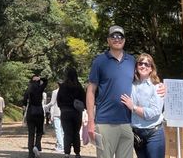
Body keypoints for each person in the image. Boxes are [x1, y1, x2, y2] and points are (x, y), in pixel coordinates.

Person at [86, 25, 136, 158]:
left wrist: (159, 86)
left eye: (120, 36)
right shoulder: (99, 61)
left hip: (127, 122)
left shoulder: (132, 61)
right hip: (104, 122)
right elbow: (91, 91)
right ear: (108, 40)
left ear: (124, 40)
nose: (117, 39)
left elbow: (143, 82)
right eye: (113, 36)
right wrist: (90, 121)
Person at [121, 53, 165, 158]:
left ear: (151, 69)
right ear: (136, 66)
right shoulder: (130, 85)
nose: (143, 66)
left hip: (154, 134)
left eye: (147, 64)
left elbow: (154, 112)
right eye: (140, 63)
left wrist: (134, 107)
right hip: (137, 134)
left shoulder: (157, 86)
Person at [58, 67, 87, 158]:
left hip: (65, 112)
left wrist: (62, 107)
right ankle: (77, 153)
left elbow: (59, 100)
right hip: (76, 112)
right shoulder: (79, 86)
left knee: (67, 133)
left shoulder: (63, 86)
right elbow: (84, 99)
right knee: (76, 133)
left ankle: (67, 152)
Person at [23, 74, 48, 158]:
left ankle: (31, 153)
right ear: (38, 81)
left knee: (31, 133)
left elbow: (24, 101)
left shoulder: (28, 89)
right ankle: (37, 145)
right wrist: (40, 78)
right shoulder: (40, 88)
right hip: (39, 111)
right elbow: (46, 80)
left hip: (31, 111)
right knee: (39, 131)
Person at [45, 82, 64, 153]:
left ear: (58, 84)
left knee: (58, 129)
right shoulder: (67, 91)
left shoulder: (55, 92)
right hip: (64, 112)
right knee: (62, 130)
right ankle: (61, 145)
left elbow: (52, 103)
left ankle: (61, 146)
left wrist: (45, 106)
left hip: (57, 112)